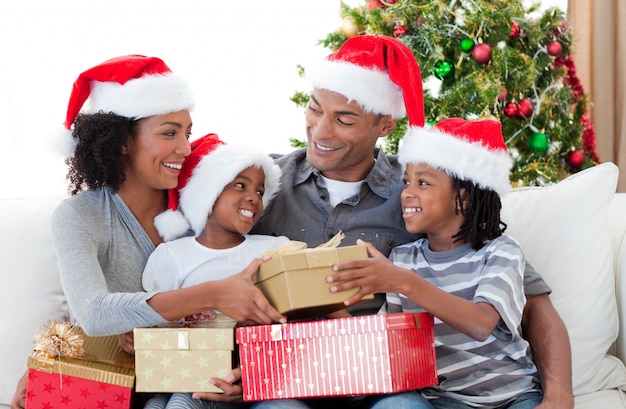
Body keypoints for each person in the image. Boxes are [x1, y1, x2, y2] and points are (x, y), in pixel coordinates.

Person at [248, 35, 573, 409]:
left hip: (387, 386)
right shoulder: (261, 184)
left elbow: (533, 305)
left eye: (344, 119)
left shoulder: (426, 194)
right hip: (291, 378)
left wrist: (559, 395)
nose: (321, 131)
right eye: (314, 109)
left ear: (385, 124)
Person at [10, 55, 285, 409]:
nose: (185, 148)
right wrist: (213, 294)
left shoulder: (204, 211)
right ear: (122, 141)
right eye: (169, 133)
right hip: (103, 385)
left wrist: (247, 375)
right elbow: (94, 313)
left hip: (190, 384)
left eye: (186, 133)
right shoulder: (80, 216)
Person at [335, 117, 544, 408]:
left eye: (423, 182)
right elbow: (385, 344)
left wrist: (402, 281)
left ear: (465, 198)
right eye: (406, 181)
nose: (407, 192)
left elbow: (481, 323)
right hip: (443, 400)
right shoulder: (403, 260)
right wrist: (328, 306)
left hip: (510, 397)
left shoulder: (500, 252)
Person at [142, 135, 291, 409]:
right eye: (240, 185)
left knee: (183, 401)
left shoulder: (274, 251)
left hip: (236, 380)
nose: (253, 197)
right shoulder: (171, 256)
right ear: (208, 194)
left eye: (260, 191)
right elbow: (153, 324)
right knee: (161, 402)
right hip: (177, 370)